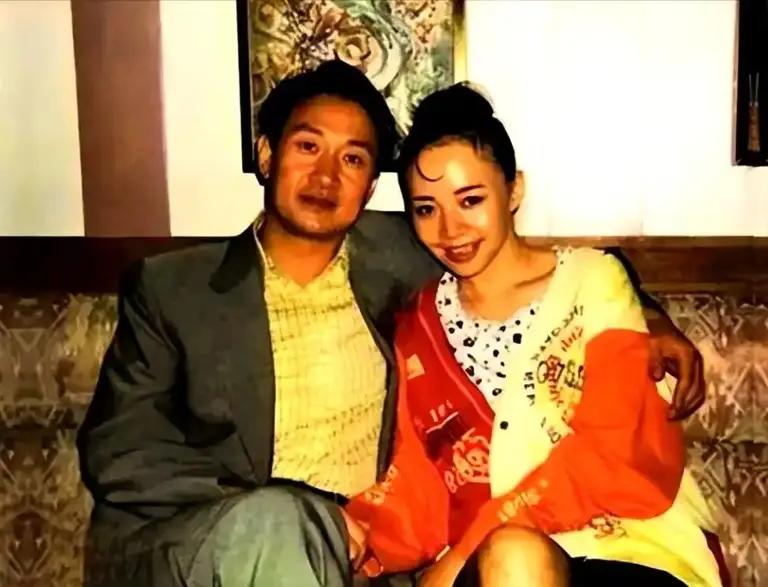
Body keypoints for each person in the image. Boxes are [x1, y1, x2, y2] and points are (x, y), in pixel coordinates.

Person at [77, 61, 705, 587]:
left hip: (377, 555)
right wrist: (296, 512)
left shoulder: (408, 256)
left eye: (353, 159)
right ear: (266, 154)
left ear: (371, 186)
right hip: (216, 543)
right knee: (275, 525)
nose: (327, 176)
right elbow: (120, 451)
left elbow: (559, 269)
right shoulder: (171, 286)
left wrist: (649, 315)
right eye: (307, 146)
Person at [345, 84, 728, 587]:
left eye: (470, 200)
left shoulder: (591, 282)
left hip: (627, 550)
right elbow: (419, 485)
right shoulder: (417, 327)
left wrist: (466, 552)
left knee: (513, 553)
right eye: (426, 209)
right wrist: (350, 533)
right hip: (494, 567)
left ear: (515, 190)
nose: (450, 229)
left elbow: (614, 452)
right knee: (510, 557)